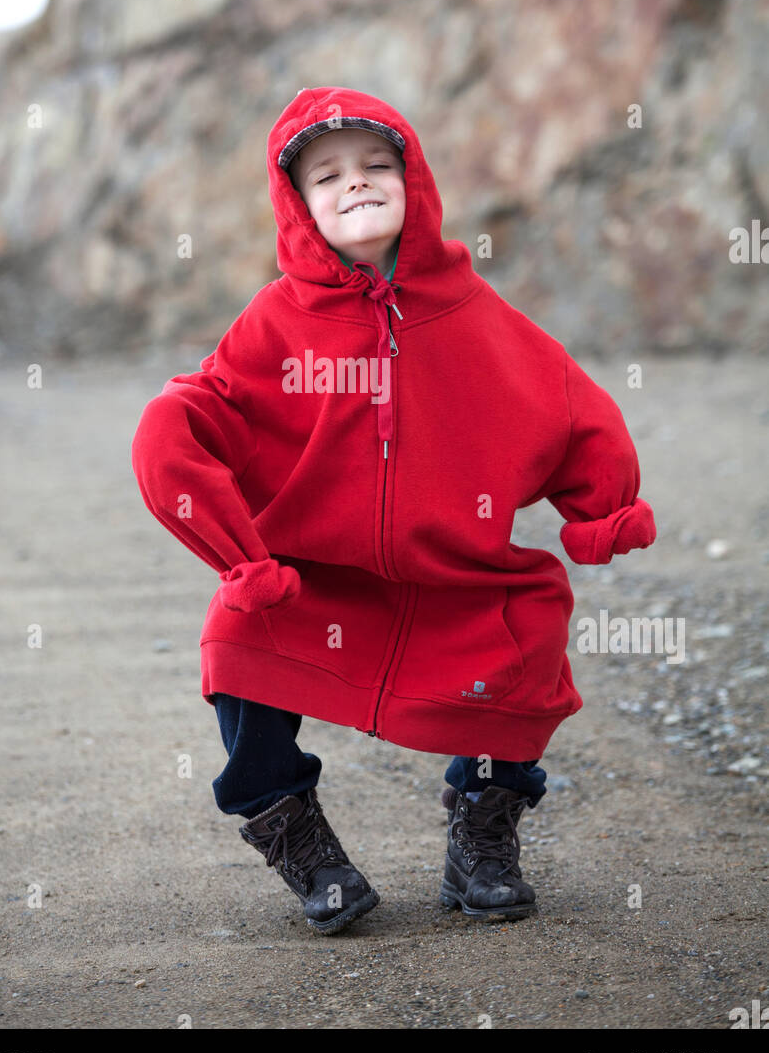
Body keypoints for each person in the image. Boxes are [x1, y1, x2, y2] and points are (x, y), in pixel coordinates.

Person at [131, 86, 656, 936]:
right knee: (237, 644)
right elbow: (204, 413)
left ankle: (482, 836)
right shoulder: (274, 323)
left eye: (378, 165)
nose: (357, 183)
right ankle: (297, 836)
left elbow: (572, 409)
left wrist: (603, 506)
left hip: (455, 579)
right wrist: (208, 498)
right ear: (298, 208)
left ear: (416, 184)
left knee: (527, 641)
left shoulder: (478, 317)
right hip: (312, 581)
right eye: (327, 176)